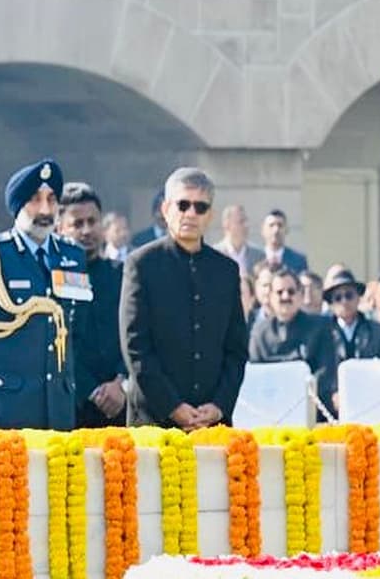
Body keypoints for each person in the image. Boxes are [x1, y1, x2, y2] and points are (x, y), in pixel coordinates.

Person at [121, 167, 248, 430]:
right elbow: (136, 347)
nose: (191, 213)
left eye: (200, 207)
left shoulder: (226, 270)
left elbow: (236, 349)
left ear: (210, 215)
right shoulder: (141, 264)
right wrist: (173, 407)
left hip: (212, 423)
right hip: (155, 421)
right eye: (183, 205)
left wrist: (219, 406)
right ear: (166, 209)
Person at [0, 159, 88, 430]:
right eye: (35, 200)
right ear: (17, 206)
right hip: (7, 407)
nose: (45, 209)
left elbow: (78, 327)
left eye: (52, 199)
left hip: (58, 407)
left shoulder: (72, 256)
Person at [58, 182, 127, 427]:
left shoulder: (123, 274)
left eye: (92, 221)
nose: (86, 230)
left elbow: (135, 334)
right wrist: (93, 390)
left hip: (121, 404)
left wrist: (120, 382)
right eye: (77, 224)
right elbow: (60, 345)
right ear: (60, 228)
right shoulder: (52, 279)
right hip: (72, 407)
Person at [249, 268, 339, 417]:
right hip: (272, 413)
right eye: (279, 292)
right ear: (270, 297)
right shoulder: (259, 332)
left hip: (314, 412)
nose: (285, 296)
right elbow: (255, 374)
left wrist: (296, 392)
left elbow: (326, 372)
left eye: (291, 291)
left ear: (300, 295)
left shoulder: (321, 327)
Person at [325, 269, 380, 362]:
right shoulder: (323, 333)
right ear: (332, 304)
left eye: (349, 295)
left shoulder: (378, 332)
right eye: (338, 298)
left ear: (358, 298)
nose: (344, 301)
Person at [214, 204, 265, 276]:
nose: (246, 225)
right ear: (227, 225)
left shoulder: (259, 256)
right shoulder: (214, 255)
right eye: (241, 221)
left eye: (246, 221)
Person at [261, 209, 309, 274]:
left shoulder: (299, 260)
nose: (276, 230)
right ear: (263, 230)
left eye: (280, 225)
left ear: (286, 230)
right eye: (271, 225)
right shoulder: (255, 258)